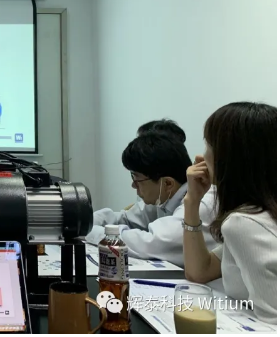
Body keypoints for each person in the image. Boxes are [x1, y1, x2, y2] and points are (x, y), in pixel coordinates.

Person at [183, 102, 277, 324]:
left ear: (231, 157)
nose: (202, 156)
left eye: (209, 146)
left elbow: (274, 319)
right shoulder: (261, 213)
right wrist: (191, 202)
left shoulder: (244, 223)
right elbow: (200, 271)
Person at [86, 131, 217, 266]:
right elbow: (124, 218)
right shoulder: (163, 198)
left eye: (137, 180)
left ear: (167, 183)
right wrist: (85, 221)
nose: (133, 185)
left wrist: (89, 231)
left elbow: (150, 244)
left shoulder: (199, 203)